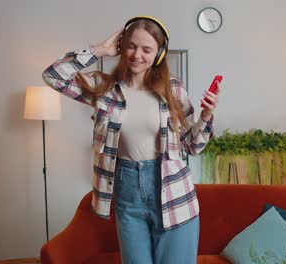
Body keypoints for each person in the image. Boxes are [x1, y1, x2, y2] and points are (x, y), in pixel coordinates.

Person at [42, 16, 221, 264]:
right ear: (122, 46)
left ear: (159, 54)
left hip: (174, 193)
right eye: (131, 46)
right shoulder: (104, 89)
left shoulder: (174, 91)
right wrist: (99, 49)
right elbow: (53, 76)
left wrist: (206, 116)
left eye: (147, 49)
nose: (137, 55)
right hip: (127, 190)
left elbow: (193, 146)